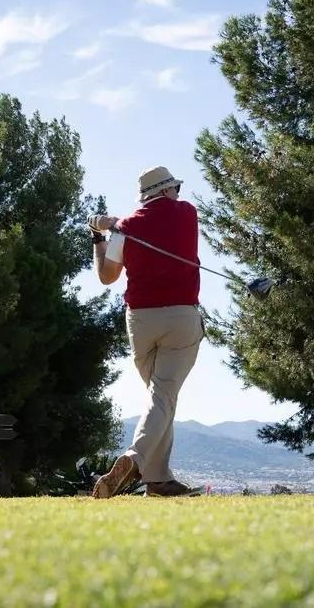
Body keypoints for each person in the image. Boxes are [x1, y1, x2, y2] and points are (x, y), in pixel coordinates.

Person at [87, 166, 203, 498]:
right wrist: (112, 226)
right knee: (163, 396)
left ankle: (159, 480)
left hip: (139, 321)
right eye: (175, 188)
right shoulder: (188, 213)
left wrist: (100, 238)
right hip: (181, 318)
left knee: (160, 398)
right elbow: (156, 220)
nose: (178, 193)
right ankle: (135, 458)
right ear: (165, 190)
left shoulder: (124, 229)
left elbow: (107, 277)